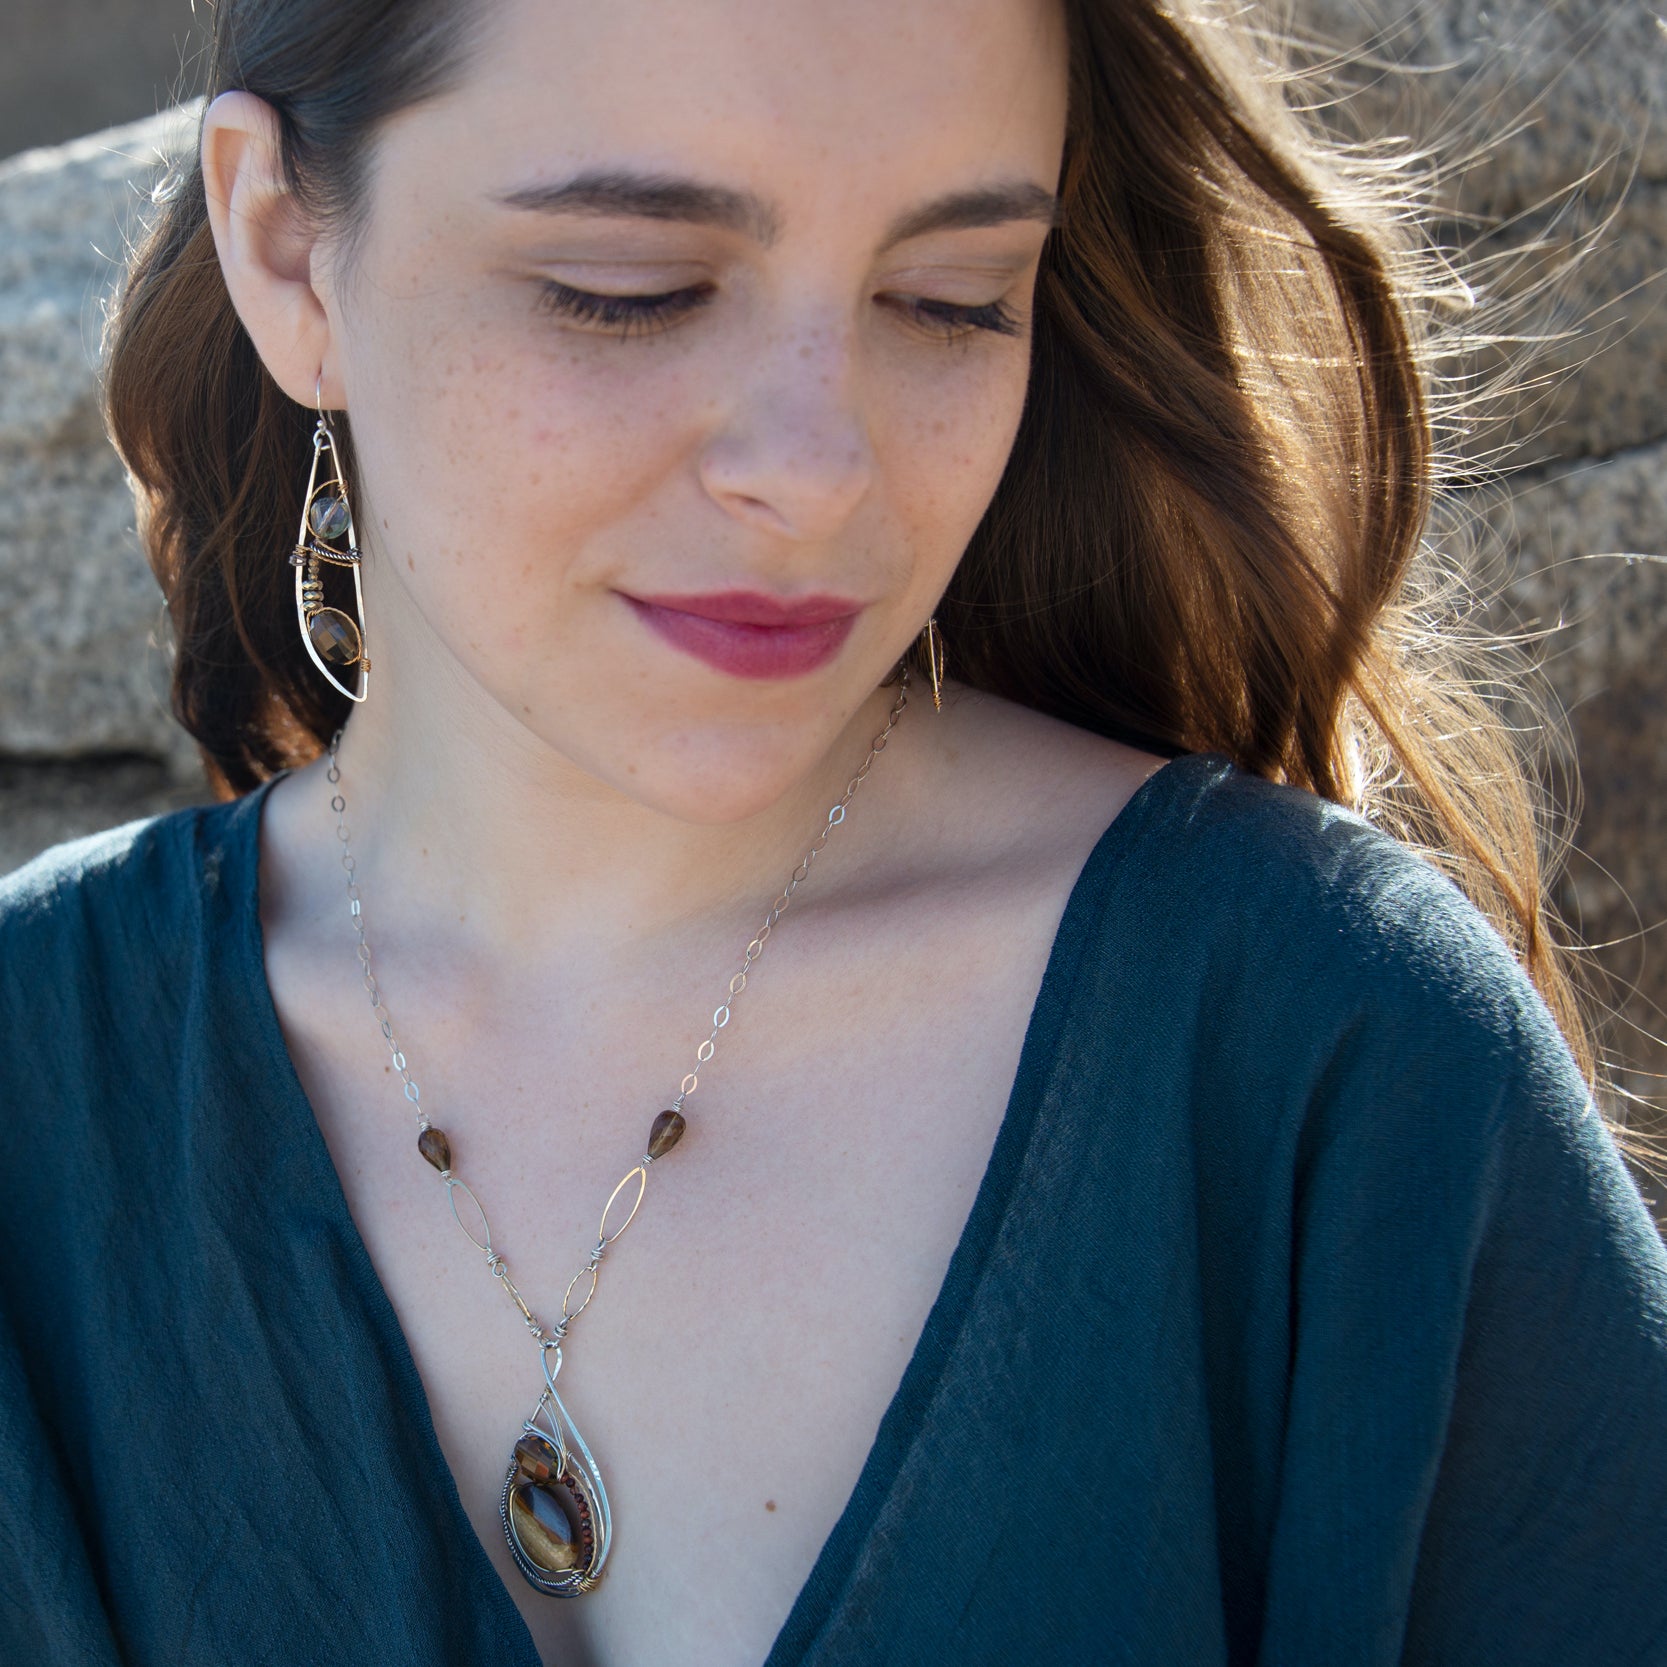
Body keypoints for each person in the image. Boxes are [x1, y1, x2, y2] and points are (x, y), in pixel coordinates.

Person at [2, 0, 1664, 1662]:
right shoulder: (33, 1088)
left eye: (951, 301)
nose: (814, 471)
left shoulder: (1326, 1052)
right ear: (287, 251)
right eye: (631, 288)